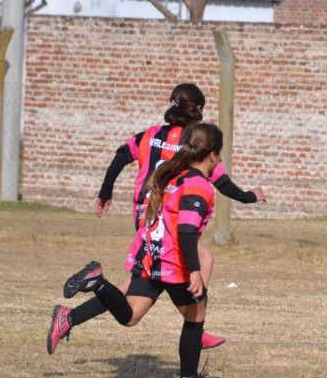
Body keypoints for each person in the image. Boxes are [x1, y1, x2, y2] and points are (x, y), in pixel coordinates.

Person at [47, 84, 264, 354]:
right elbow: (221, 182)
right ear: (198, 110)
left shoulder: (150, 135)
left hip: (144, 216)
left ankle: (71, 315)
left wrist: (106, 192)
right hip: (169, 217)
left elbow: (120, 157)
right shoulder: (194, 142)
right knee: (201, 261)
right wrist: (249, 197)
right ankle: (195, 327)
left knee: (136, 294)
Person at [52, 123, 227, 378]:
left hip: (152, 254)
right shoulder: (198, 185)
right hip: (173, 260)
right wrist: (193, 270)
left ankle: (97, 283)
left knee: (130, 316)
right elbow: (187, 230)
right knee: (195, 314)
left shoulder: (171, 175)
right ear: (212, 155)